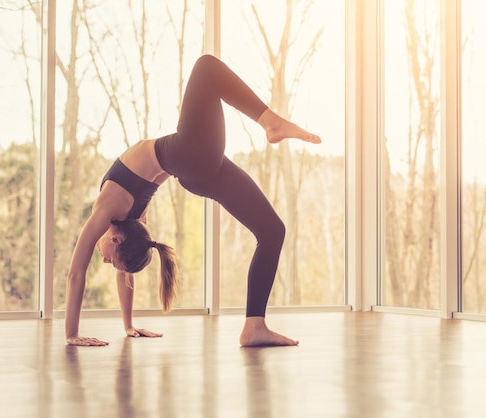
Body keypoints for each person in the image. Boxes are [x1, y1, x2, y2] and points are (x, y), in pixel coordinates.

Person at [65, 54, 321, 347]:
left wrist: (77, 332)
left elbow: (76, 272)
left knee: (272, 231)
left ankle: (254, 326)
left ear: (118, 241)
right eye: (113, 263)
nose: (107, 262)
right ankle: (270, 122)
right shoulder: (126, 218)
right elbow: (118, 273)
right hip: (189, 160)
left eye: (110, 262)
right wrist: (126, 325)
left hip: (191, 167)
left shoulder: (110, 208)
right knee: (206, 68)